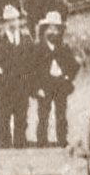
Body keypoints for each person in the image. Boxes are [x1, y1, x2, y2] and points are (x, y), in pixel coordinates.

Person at [0, 5, 35, 149]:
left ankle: (20, 154)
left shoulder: (26, 39)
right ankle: (5, 157)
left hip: (22, 88)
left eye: (15, 20)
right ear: (4, 23)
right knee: (4, 123)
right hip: (5, 89)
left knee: (21, 122)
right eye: (9, 21)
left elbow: (35, 59)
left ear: (19, 21)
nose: (12, 23)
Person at [32, 12, 80, 148]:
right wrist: (37, 88)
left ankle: (62, 142)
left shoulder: (63, 47)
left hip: (60, 84)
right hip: (44, 85)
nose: (53, 32)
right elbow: (32, 70)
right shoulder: (38, 48)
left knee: (61, 115)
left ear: (60, 31)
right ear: (45, 30)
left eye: (56, 29)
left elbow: (75, 66)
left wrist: (67, 77)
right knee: (43, 116)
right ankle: (41, 143)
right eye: (50, 28)